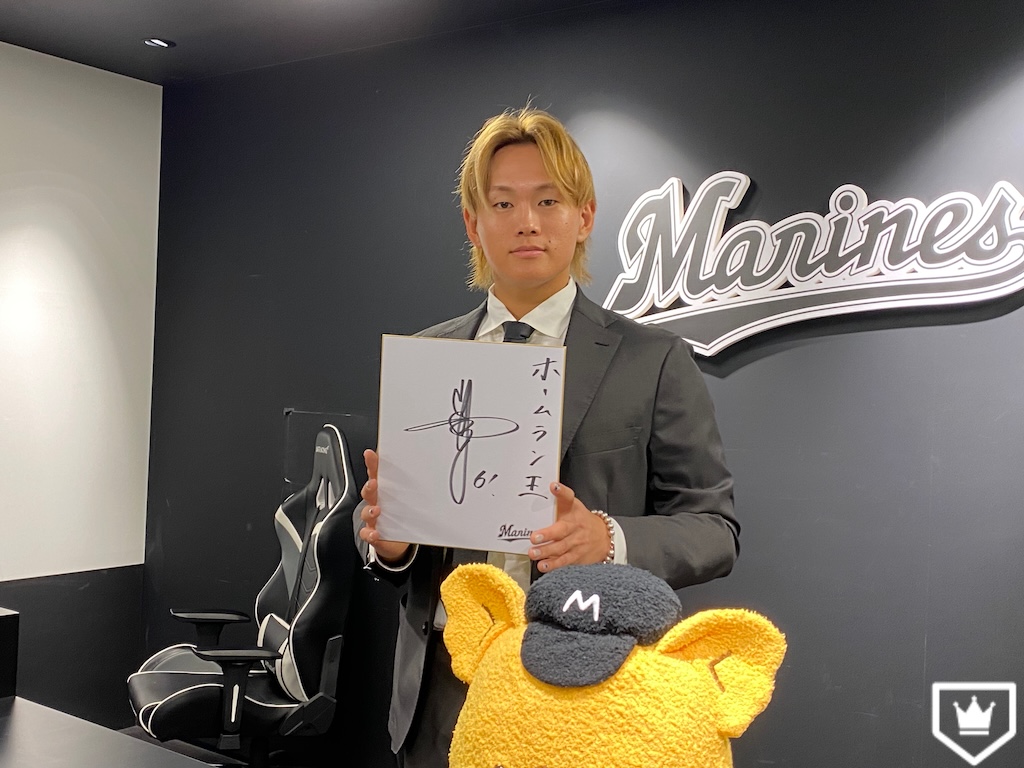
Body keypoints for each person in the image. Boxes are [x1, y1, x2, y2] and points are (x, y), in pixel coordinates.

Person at [354, 106, 738, 767]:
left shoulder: (653, 361)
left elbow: (714, 528)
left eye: (548, 200)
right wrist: (391, 544)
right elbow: (394, 542)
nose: (526, 221)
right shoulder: (427, 357)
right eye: (502, 203)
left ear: (584, 217)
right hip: (444, 693)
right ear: (473, 224)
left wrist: (607, 539)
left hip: (590, 693)